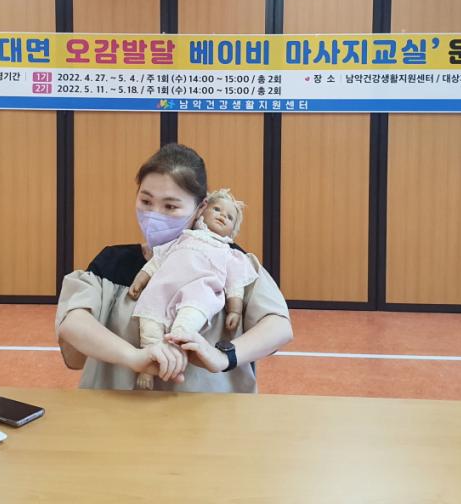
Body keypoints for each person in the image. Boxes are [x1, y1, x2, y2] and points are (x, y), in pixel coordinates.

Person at [55, 143, 292, 393]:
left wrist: (223, 357)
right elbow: (73, 320)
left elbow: (277, 325)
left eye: (170, 206)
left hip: (208, 412)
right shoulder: (112, 263)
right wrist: (134, 357)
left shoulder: (229, 260)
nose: (154, 214)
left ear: (201, 207)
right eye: (146, 201)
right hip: (119, 410)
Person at [129, 188, 259, 390]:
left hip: (199, 291)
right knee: (150, 319)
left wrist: (235, 309)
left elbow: (235, 283)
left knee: (188, 321)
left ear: (233, 230)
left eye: (229, 217)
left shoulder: (228, 252)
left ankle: (176, 351)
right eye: (217, 209)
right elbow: (157, 261)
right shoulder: (183, 237)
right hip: (165, 286)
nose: (222, 216)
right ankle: (149, 362)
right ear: (201, 211)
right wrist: (140, 279)